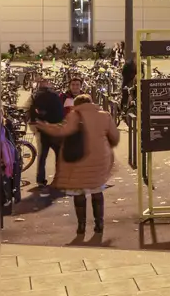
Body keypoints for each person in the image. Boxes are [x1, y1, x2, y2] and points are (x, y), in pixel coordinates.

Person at [35, 94, 120, 236]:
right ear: (92, 103)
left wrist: (46, 127)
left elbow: (62, 131)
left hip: (78, 160)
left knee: (79, 193)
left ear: (76, 104)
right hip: (99, 160)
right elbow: (115, 137)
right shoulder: (105, 115)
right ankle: (99, 223)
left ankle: (81, 226)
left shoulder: (74, 115)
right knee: (97, 190)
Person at [27, 74, 66, 189]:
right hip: (55, 129)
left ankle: (40, 180)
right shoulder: (55, 96)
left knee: (42, 155)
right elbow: (60, 113)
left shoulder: (35, 96)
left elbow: (31, 112)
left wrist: (36, 123)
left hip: (43, 130)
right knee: (59, 155)